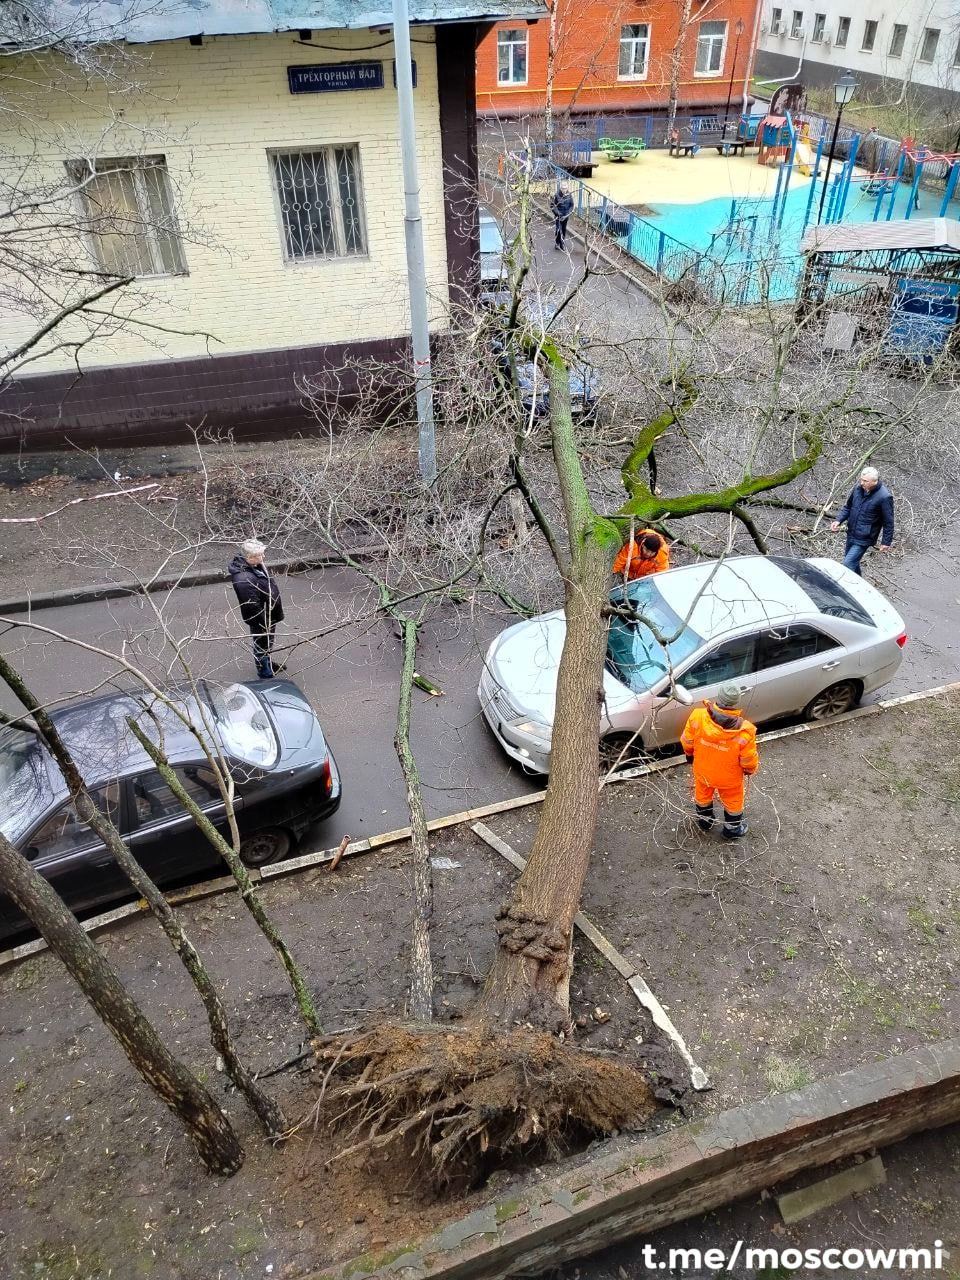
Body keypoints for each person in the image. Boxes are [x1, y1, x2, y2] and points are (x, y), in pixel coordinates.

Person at [681, 685, 759, 839]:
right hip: (729, 777)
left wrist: (690, 756)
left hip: (703, 770)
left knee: (702, 796)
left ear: (719, 697)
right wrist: (750, 770)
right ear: (736, 702)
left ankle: (705, 822)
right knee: (733, 802)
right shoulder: (745, 730)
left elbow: (686, 741)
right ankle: (731, 830)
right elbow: (748, 759)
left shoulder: (697, 716)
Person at [228, 538, 284, 679]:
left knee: (266, 643)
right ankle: (265, 673)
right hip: (261, 619)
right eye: (260, 555)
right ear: (250, 557)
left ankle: (268, 663)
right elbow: (251, 606)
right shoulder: (244, 579)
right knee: (261, 645)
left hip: (267, 614)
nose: (263, 557)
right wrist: (263, 623)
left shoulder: (255, 566)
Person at [830, 466, 894, 576]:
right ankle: (861, 585)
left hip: (865, 537)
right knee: (853, 563)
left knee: (847, 563)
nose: (862, 483)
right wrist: (838, 520)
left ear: (874, 481)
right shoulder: (857, 489)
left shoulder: (884, 497)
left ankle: (847, 588)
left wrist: (886, 542)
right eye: (861, 479)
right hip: (851, 532)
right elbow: (848, 507)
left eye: (865, 481)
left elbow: (889, 522)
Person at [550, 185, 574, 250]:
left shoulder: (569, 195)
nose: (564, 190)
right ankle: (559, 243)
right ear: (560, 188)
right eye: (563, 188)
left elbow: (571, 206)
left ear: (567, 188)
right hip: (558, 216)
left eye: (565, 188)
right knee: (558, 229)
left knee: (563, 229)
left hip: (565, 216)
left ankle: (560, 242)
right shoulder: (556, 195)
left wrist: (567, 214)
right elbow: (552, 206)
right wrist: (558, 214)